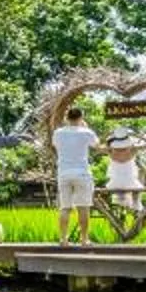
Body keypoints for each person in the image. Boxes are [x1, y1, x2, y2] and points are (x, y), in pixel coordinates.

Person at [52, 104, 101, 243]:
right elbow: (97, 145)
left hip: (64, 173)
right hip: (82, 173)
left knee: (65, 207)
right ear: (81, 117)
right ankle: (84, 239)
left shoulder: (58, 133)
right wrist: (85, 127)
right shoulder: (86, 132)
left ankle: (63, 239)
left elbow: (56, 145)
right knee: (83, 207)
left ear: (66, 118)